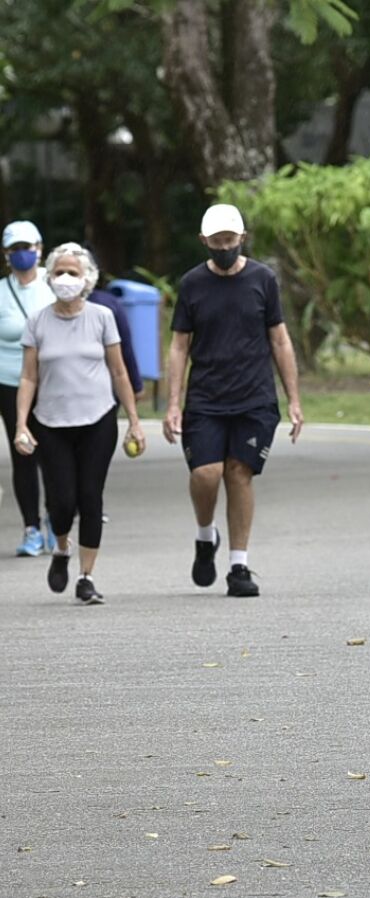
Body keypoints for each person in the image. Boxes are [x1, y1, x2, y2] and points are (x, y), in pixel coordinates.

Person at [163, 204, 303, 598]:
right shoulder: (192, 284)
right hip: (207, 396)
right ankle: (206, 536)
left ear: (242, 238)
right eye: (216, 242)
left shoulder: (263, 279)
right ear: (204, 242)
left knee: (239, 473)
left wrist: (294, 399)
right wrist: (173, 403)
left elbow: (279, 338)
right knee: (206, 474)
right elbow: (178, 346)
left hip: (254, 395)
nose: (224, 248)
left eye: (230, 240)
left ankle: (239, 566)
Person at [11, 243, 145, 604]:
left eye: (73, 272)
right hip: (51, 423)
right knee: (61, 501)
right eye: (59, 272)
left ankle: (86, 577)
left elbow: (119, 371)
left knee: (90, 497)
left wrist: (133, 420)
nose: (66, 278)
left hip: (98, 419)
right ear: (49, 277)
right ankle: (61, 549)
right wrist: (21, 424)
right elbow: (28, 378)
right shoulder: (37, 321)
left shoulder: (103, 316)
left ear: (87, 278)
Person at [1, 220, 56, 557]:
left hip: (51, 381)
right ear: (7, 254)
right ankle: (31, 528)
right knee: (23, 453)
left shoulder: (54, 286)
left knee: (54, 455)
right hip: (8, 382)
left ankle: (56, 520)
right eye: (15, 249)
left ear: (40, 249)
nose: (23, 254)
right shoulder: (2, 292)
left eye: (28, 247)